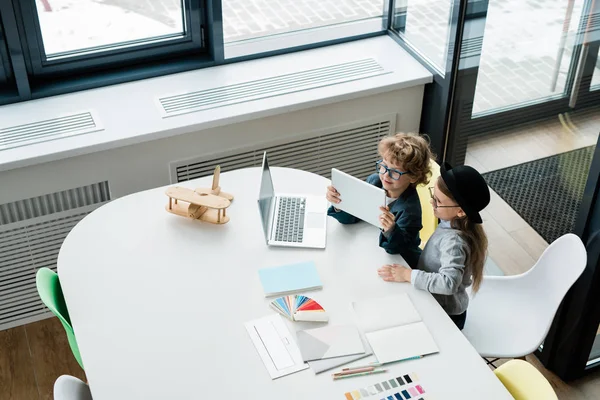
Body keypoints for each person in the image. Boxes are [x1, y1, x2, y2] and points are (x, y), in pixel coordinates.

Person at [377, 163, 490, 330]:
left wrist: (408, 275)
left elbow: (449, 283)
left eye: (437, 201)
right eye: (433, 196)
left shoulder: (454, 242)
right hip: (434, 300)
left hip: (445, 315)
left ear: (460, 212)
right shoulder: (449, 222)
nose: (431, 202)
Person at [326, 133, 433, 268]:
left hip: (402, 263)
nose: (385, 174)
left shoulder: (409, 210)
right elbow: (352, 218)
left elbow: (397, 249)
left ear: (413, 177)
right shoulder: (374, 181)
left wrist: (391, 230)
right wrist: (340, 204)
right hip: (371, 248)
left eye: (395, 172)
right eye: (384, 166)